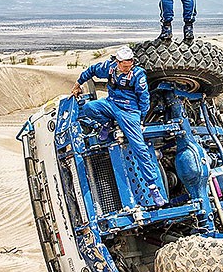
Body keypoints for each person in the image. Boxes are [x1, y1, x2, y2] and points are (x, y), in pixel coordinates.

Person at [71, 45, 166, 207]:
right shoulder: (109, 68)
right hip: (112, 103)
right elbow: (92, 70)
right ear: (118, 61)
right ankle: (107, 123)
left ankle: (153, 187)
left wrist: (140, 119)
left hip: (129, 111)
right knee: (89, 108)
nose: (126, 65)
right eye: (124, 63)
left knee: (139, 147)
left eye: (129, 62)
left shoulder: (138, 75)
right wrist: (78, 82)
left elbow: (144, 98)